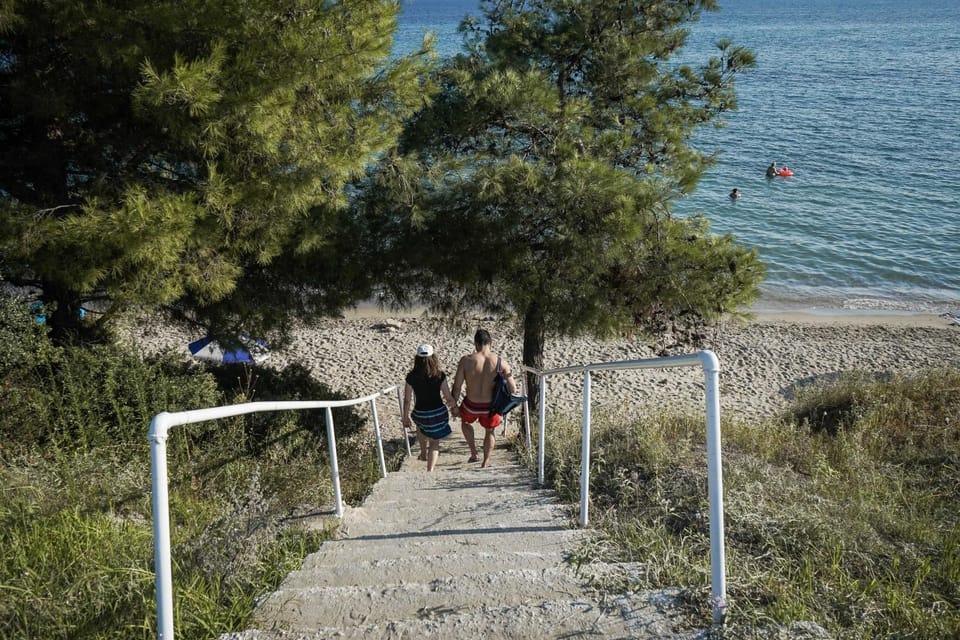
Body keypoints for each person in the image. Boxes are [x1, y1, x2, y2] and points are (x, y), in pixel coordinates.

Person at [452, 329, 516, 468]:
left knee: (465, 423)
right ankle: (486, 461)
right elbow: (513, 389)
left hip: (471, 405)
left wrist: (454, 405)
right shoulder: (501, 362)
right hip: (490, 407)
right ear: (491, 343)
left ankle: (474, 453)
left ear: (475, 344)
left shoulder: (466, 360)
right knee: (490, 430)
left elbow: (457, 387)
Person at [402, 344, 458, 471]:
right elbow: (448, 397)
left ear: (417, 358)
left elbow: (407, 400)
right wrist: (454, 408)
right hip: (438, 413)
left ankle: (422, 453)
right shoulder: (439, 375)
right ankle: (430, 470)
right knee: (434, 442)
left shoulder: (411, 377)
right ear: (433, 358)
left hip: (420, 413)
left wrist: (405, 417)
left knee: (420, 425)